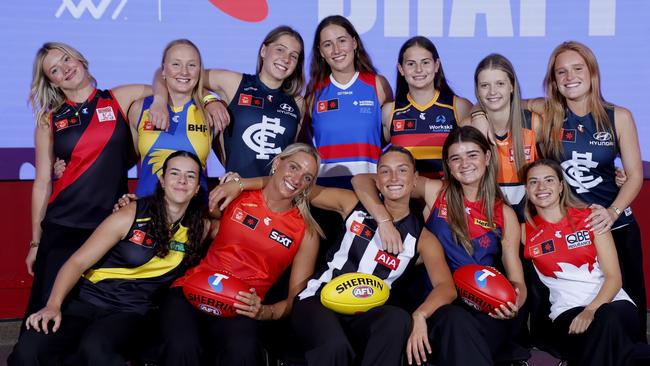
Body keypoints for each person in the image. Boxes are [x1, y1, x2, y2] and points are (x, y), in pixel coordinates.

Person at [9, 151, 207, 366]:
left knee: (96, 349)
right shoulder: (131, 213)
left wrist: (237, 184)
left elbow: (234, 221)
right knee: (31, 347)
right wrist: (53, 305)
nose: (182, 181)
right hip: (85, 301)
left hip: (130, 313)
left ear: (197, 188)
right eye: (175, 173)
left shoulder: (200, 227)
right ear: (162, 180)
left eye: (190, 176)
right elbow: (77, 262)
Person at [352, 126, 528, 365]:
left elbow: (517, 278)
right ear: (449, 165)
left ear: (487, 157)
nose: (464, 163)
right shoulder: (435, 191)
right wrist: (383, 220)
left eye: (472, 155)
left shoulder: (504, 214)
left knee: (467, 331)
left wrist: (513, 302)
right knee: (454, 321)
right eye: (456, 158)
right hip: (438, 302)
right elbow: (362, 180)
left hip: (484, 307)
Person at [290, 146, 458, 366]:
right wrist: (242, 184)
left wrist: (420, 315)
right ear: (377, 180)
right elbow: (296, 189)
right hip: (318, 301)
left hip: (364, 313)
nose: (393, 178)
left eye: (402, 170)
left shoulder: (423, 239)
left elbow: (446, 287)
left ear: (415, 179)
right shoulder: (352, 205)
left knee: (397, 319)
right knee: (335, 346)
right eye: (385, 171)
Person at [159, 143, 321, 365]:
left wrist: (265, 312)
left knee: (242, 352)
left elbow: (296, 299)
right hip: (192, 288)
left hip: (241, 306)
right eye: (293, 167)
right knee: (183, 347)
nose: (297, 179)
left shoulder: (306, 233)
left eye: (307, 177)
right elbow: (181, 209)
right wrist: (138, 207)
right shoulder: (236, 194)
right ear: (277, 163)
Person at [25, 42, 154, 319]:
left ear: (81, 60)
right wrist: (35, 243)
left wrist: (208, 100)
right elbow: (42, 183)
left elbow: (166, 85)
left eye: (67, 59)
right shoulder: (49, 119)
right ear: (53, 83)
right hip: (62, 227)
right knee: (44, 314)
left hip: (107, 228)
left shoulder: (117, 98)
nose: (65, 69)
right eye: (55, 70)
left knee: (90, 316)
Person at [528, 41, 646, 337]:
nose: (570, 77)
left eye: (577, 69)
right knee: (574, 320)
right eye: (561, 72)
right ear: (553, 81)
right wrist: (479, 115)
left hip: (614, 224)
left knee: (626, 312)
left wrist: (612, 211)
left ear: (592, 72)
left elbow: (633, 175)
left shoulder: (619, 116)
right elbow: (501, 102)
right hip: (569, 231)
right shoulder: (546, 112)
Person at [523, 159, 647, 365]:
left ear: (561, 186)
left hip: (615, 303)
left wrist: (591, 310)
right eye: (533, 182)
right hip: (567, 313)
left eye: (549, 180)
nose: (541, 187)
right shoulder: (523, 231)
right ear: (526, 189)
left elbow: (614, 278)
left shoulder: (590, 217)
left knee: (607, 318)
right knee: (622, 349)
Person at [152, 26, 306, 178]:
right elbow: (172, 74)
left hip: (277, 197)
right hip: (236, 193)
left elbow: (291, 157)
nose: (286, 59)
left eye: (294, 56)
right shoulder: (234, 83)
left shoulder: (298, 103)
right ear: (263, 51)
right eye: (280, 49)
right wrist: (209, 100)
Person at [301, 15, 392, 189]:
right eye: (328, 44)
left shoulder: (377, 84)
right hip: (325, 190)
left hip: (370, 187)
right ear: (321, 52)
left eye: (342, 41)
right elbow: (304, 142)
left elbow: (389, 134)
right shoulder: (314, 93)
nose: (336, 50)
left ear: (354, 43)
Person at [131, 39, 219, 198]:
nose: (184, 72)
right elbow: (127, 162)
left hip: (194, 215)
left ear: (200, 71)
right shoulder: (140, 109)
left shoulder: (211, 113)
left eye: (192, 65)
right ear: (163, 70)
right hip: (147, 213)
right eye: (176, 64)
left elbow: (228, 161)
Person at [464, 54, 540, 221]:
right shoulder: (468, 127)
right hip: (485, 219)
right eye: (484, 85)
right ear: (477, 89)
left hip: (531, 221)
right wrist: (477, 113)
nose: (492, 92)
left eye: (500, 84)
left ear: (512, 86)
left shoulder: (534, 123)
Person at [386, 36, 472, 178]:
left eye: (425, 62)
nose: (419, 69)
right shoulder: (389, 111)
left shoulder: (459, 107)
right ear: (401, 69)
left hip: (447, 197)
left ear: (436, 65)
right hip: (405, 198)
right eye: (411, 64)